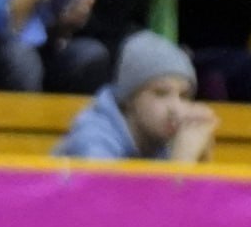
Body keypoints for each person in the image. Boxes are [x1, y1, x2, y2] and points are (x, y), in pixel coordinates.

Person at [50, 28, 215, 161]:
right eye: (161, 93)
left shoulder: (162, 139)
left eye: (184, 96)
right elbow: (106, 193)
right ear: (129, 98)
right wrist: (182, 161)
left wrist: (201, 157)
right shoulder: (93, 138)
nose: (176, 109)